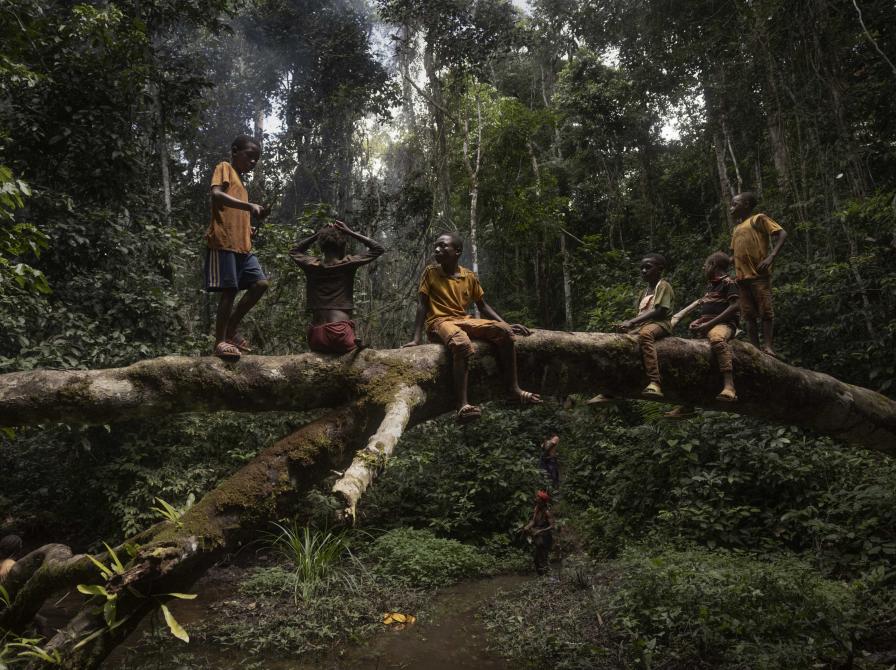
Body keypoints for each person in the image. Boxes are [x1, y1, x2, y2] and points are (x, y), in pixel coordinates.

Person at [403, 233, 541, 424]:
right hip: (439, 322)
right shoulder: (430, 272)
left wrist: (506, 324)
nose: (437, 250)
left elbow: (482, 305)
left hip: (463, 319)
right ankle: (462, 404)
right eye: (436, 246)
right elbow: (422, 305)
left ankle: (513, 389)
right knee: (461, 343)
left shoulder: (469, 276)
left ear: (457, 252)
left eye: (443, 246)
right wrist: (416, 339)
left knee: (505, 332)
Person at [204, 134, 271, 361]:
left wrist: (248, 227)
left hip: (243, 245)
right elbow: (216, 195)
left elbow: (236, 213)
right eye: (250, 156)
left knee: (260, 284)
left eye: (256, 160)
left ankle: (231, 329)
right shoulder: (225, 168)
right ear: (235, 151)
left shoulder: (242, 185)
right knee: (229, 290)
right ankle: (220, 342)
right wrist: (249, 206)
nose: (252, 162)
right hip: (223, 241)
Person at [588, 253, 675, 402]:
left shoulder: (664, 286)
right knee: (619, 343)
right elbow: (641, 315)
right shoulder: (644, 292)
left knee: (646, 335)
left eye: (648, 267)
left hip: (660, 324)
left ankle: (655, 382)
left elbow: (659, 311)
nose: (643, 271)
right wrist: (629, 328)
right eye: (641, 268)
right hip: (644, 326)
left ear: (660, 269)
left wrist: (632, 322)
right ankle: (611, 389)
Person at [664, 252, 740, 420]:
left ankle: (730, 386)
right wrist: (698, 322)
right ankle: (687, 404)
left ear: (714, 265)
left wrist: (709, 324)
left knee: (718, 340)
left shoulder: (728, 282)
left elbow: (735, 306)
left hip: (724, 326)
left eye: (706, 264)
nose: (703, 267)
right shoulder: (710, 287)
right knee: (693, 358)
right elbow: (710, 311)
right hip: (709, 327)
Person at [290, 220, 385, 354]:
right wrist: (350, 232)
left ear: (321, 248)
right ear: (342, 247)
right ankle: (356, 348)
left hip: (316, 335)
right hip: (340, 332)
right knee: (357, 352)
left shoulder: (311, 264)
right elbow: (378, 249)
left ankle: (355, 347)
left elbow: (294, 251)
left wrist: (317, 235)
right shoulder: (348, 263)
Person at [729, 191, 787, 358]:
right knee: (748, 315)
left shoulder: (758, 219)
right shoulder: (736, 228)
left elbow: (782, 233)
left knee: (765, 311)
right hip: (742, 279)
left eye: (735, 204)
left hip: (759, 275)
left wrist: (772, 256)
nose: (731, 208)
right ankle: (755, 348)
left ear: (746, 205)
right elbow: (733, 255)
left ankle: (768, 346)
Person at [524, 490, 555, 576]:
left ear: (542, 500)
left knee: (543, 558)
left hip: (545, 538)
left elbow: (552, 526)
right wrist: (528, 526)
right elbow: (533, 521)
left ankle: (548, 578)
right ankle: (542, 578)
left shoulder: (546, 512)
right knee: (537, 559)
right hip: (538, 537)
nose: (536, 498)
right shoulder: (537, 508)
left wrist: (540, 530)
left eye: (538, 497)